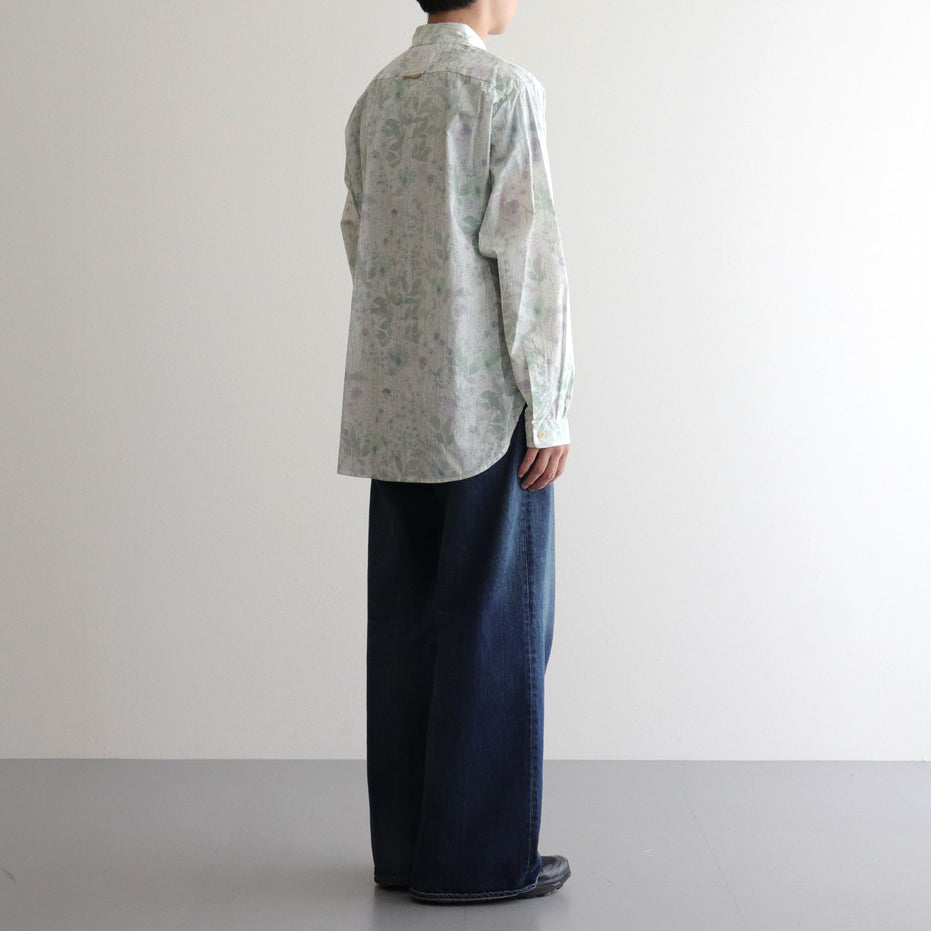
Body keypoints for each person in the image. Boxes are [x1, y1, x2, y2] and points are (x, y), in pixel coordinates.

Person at [337, 0, 574, 905]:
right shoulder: (501, 90)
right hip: (482, 406)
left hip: (394, 405)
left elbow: (360, 234)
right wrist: (548, 403)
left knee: (408, 633)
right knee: (494, 629)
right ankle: (476, 862)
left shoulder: (376, 98)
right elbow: (529, 250)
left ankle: (404, 852)